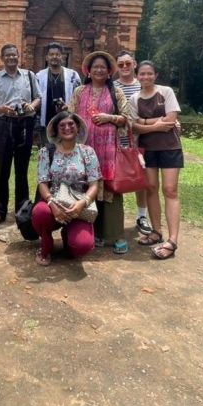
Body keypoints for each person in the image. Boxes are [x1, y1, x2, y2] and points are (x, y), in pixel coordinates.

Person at [67, 51, 133, 255]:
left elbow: (126, 118)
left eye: (103, 67)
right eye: (95, 66)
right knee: (87, 188)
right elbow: (70, 117)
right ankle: (91, 232)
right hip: (84, 150)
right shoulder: (79, 91)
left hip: (108, 152)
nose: (98, 70)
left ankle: (115, 235)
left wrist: (109, 117)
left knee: (110, 190)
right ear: (88, 70)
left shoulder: (117, 93)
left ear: (109, 71)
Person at [130, 61, 183, 260]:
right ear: (137, 76)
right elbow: (134, 126)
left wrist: (145, 122)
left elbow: (171, 119)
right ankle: (156, 231)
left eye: (149, 74)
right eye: (142, 74)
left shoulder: (165, 92)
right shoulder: (135, 98)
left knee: (170, 190)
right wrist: (156, 125)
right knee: (151, 188)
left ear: (155, 75)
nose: (145, 77)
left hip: (170, 147)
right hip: (148, 149)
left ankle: (173, 239)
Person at [32, 112, 100, 266]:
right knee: (40, 213)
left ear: (77, 128)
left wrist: (82, 203)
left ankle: (69, 240)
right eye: (62, 125)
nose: (67, 128)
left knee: (82, 246)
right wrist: (51, 203)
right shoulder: (46, 152)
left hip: (78, 205)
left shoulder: (87, 152)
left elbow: (94, 184)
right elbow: (42, 182)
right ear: (56, 130)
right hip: (53, 204)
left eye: (71, 124)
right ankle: (46, 246)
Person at [0, 43, 41, 226]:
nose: (11, 58)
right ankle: (0, 210)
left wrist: (31, 106)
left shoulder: (29, 76)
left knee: (22, 169)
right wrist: (1, 109)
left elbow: (38, 97)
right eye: (7, 55)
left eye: (14, 55)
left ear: (19, 56)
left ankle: (22, 209)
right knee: (2, 169)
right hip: (4, 124)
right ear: (2, 58)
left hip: (25, 124)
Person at [113, 51, 152, 236]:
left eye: (128, 63)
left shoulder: (142, 86)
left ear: (134, 64)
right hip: (116, 138)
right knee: (116, 177)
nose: (125, 67)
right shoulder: (111, 87)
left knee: (141, 177)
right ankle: (113, 217)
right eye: (120, 65)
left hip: (140, 138)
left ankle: (141, 216)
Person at [35, 42, 81, 144]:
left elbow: (79, 98)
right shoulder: (39, 76)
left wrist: (69, 106)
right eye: (51, 54)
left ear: (63, 57)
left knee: (67, 150)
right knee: (47, 152)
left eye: (57, 54)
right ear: (47, 57)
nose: (54, 57)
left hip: (67, 122)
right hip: (46, 122)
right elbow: (36, 99)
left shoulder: (73, 75)